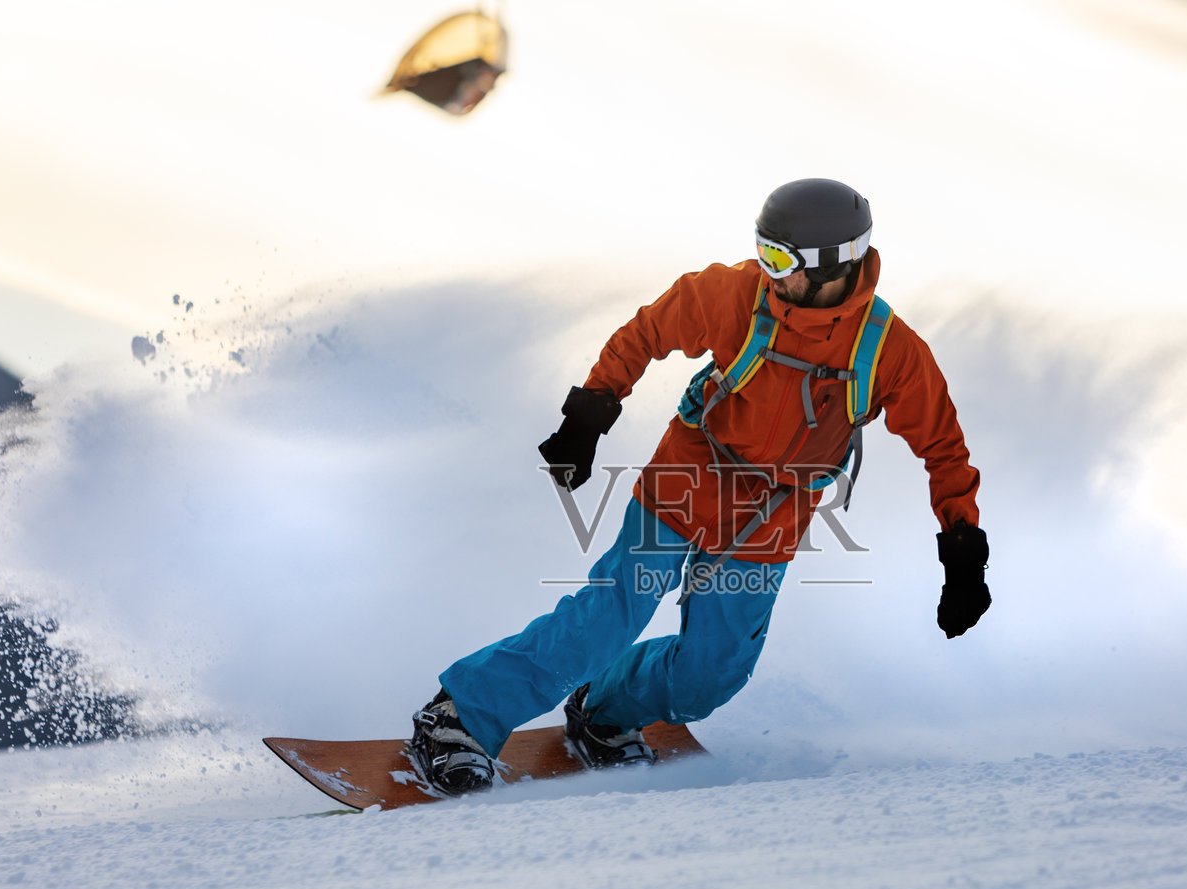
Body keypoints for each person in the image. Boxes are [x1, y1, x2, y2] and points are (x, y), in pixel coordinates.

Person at [411, 178, 991, 795]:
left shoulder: (892, 353)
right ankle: (459, 717)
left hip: (772, 512)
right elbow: (648, 332)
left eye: (780, 260)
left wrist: (962, 553)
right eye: (762, 251)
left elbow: (944, 450)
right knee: (607, 619)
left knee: (711, 677)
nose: (766, 271)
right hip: (692, 472)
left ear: (831, 267)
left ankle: (604, 715)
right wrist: (589, 416)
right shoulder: (737, 294)